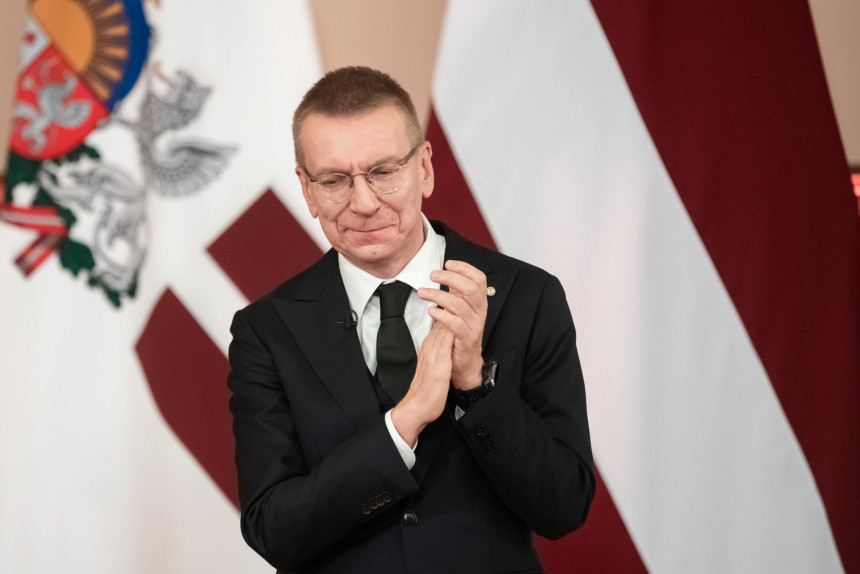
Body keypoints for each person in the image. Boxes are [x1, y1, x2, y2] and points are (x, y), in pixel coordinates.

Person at [227, 66, 594, 574]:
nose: (363, 203)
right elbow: (273, 530)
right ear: (307, 190)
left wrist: (475, 386)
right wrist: (403, 424)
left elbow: (564, 505)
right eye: (333, 180)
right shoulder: (266, 331)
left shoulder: (527, 296)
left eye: (383, 172)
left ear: (424, 167)